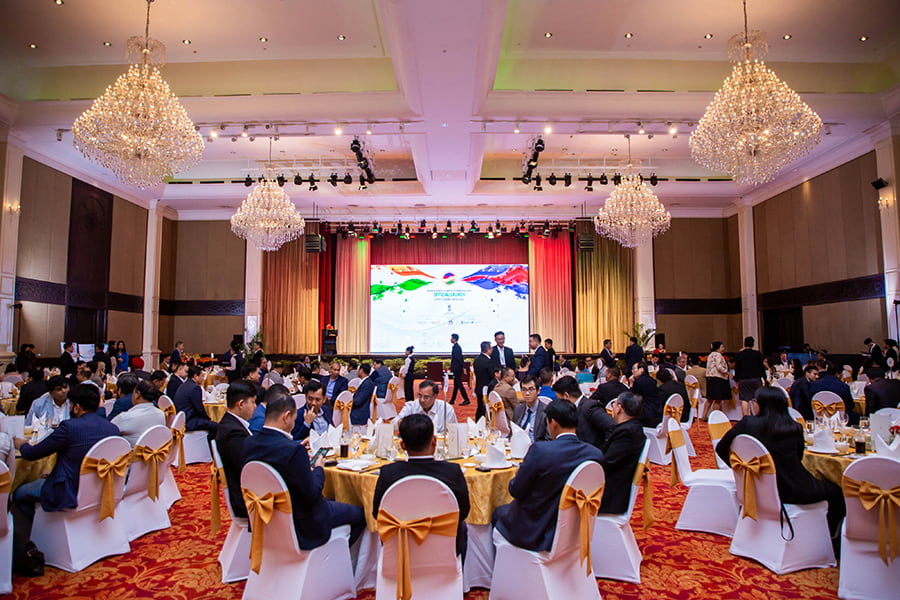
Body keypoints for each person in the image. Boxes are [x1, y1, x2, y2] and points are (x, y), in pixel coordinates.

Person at [716, 386, 846, 545]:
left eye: (755, 401)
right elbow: (799, 460)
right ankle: (830, 539)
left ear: (761, 404)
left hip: (756, 487)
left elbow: (721, 448)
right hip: (795, 489)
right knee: (839, 492)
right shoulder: (794, 427)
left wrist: (744, 471)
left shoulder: (747, 424)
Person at [241, 388, 366, 548]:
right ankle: (338, 558)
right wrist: (319, 468)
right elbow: (312, 494)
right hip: (302, 523)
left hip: (265, 517)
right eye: (293, 419)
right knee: (361, 515)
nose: (294, 423)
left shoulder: (248, 443)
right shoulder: (293, 451)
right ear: (286, 417)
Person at [12, 384, 119, 563]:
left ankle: (33, 538)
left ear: (76, 407)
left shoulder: (69, 427)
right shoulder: (112, 429)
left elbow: (31, 454)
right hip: (102, 487)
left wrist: (21, 444)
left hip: (70, 488)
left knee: (20, 493)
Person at [491, 399, 604, 552]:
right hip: (576, 528)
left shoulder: (541, 451)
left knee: (498, 512)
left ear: (553, 423)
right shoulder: (595, 454)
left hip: (537, 531)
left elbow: (516, 490)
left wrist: (518, 474)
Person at [373, 413, 470, 559]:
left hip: (400, 548)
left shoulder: (389, 473)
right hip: (443, 551)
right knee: (461, 527)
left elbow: (377, 513)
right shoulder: (452, 471)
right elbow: (463, 512)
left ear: (402, 445)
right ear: (434, 441)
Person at [215, 380, 257, 520]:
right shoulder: (232, 432)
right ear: (241, 404)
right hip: (247, 497)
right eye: (252, 402)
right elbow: (249, 465)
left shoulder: (231, 424)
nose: (255, 406)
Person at [599, 391, 646, 514]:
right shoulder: (634, 427)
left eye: (614, 404)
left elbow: (607, 463)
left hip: (610, 496)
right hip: (616, 486)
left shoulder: (626, 433)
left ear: (619, 408)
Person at [554, 374, 614, 448]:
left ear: (566, 396)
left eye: (559, 399)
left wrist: (604, 452)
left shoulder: (590, 407)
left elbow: (612, 427)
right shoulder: (572, 409)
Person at [112, 378, 166, 446]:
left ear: (137, 394)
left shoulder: (126, 418)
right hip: (155, 454)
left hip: (132, 455)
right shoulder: (161, 414)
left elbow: (108, 431)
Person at [173, 364, 217, 437]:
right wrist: (208, 419)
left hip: (181, 420)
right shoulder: (195, 388)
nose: (203, 379)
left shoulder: (184, 385)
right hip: (189, 421)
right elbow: (199, 409)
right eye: (201, 376)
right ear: (196, 376)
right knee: (216, 426)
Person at [734, 337, 766, 416]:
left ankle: (746, 417)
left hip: (743, 379)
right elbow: (761, 367)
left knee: (744, 399)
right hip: (756, 378)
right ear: (753, 344)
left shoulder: (739, 355)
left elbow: (737, 368)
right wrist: (765, 378)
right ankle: (758, 416)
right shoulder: (758, 354)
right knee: (756, 398)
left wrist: (736, 379)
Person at [513, 375, 549, 442]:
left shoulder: (546, 411)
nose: (527, 393)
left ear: (538, 391)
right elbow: (512, 433)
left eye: (531, 389)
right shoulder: (518, 409)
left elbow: (548, 439)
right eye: (524, 389)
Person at [704, 341, 731, 420]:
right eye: (722, 347)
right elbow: (719, 367)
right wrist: (728, 373)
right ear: (718, 348)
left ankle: (704, 415)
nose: (723, 348)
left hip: (710, 378)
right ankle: (715, 417)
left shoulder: (710, 355)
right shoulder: (718, 355)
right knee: (718, 399)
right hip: (718, 378)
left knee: (710, 398)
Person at [631, 362, 662, 428]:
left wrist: (631, 385)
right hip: (657, 411)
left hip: (645, 415)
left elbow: (633, 398)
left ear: (641, 369)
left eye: (634, 369)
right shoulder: (652, 380)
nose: (632, 371)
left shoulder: (638, 381)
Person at [473, 341, 493, 421]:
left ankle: (478, 423)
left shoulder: (477, 359)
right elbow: (491, 375)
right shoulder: (488, 361)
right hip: (487, 388)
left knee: (480, 408)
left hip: (479, 387)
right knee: (485, 409)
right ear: (488, 349)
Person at [449, 334, 470, 405]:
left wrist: (463, 367)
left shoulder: (456, 347)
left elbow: (459, 358)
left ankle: (466, 399)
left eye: (452, 338)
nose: (451, 339)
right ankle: (452, 400)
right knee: (456, 385)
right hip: (457, 368)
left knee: (459, 384)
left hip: (457, 368)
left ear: (454, 339)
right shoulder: (455, 347)